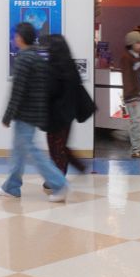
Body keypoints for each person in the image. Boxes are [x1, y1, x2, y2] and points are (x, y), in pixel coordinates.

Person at [0, 22, 69, 201]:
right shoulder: (37, 57)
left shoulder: (23, 59)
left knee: (33, 152)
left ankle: (59, 184)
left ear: (20, 38)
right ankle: (12, 187)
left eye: (15, 36)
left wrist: (7, 116)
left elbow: (18, 91)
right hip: (34, 114)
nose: (14, 39)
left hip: (25, 115)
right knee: (19, 151)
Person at [44, 34, 88, 185]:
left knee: (55, 149)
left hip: (55, 115)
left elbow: (51, 90)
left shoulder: (53, 66)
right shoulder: (70, 65)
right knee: (60, 146)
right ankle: (70, 169)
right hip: (68, 114)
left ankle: (58, 179)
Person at [120, 30, 140, 159]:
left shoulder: (136, 56)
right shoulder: (126, 57)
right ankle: (136, 149)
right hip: (133, 96)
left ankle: (133, 142)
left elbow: (137, 73)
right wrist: (131, 96)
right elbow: (127, 78)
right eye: (138, 43)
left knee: (139, 120)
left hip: (137, 94)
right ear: (131, 43)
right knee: (136, 121)